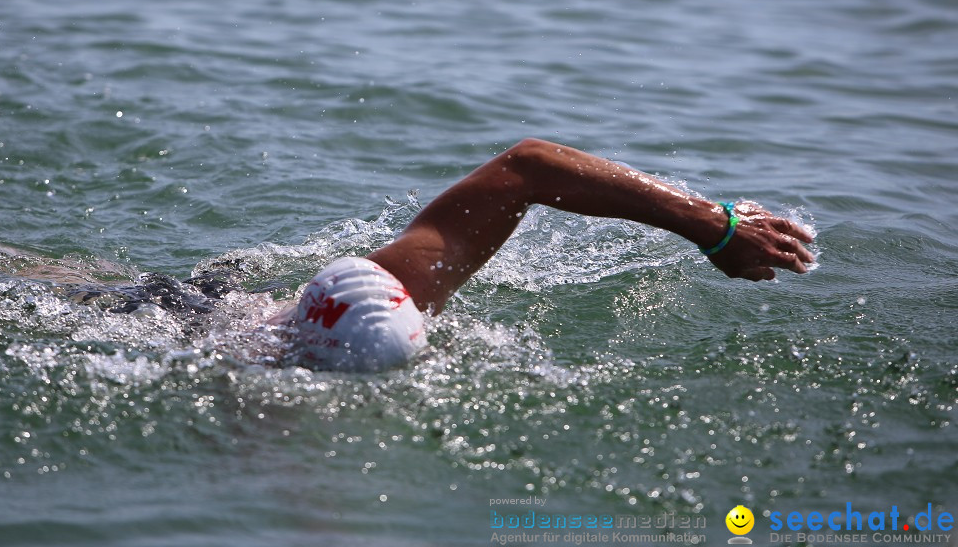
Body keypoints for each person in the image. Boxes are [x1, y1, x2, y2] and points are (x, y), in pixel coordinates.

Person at [287, 138, 815, 372]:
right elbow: (530, 165)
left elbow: (529, 166)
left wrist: (713, 223)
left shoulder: (235, 370)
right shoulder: (402, 282)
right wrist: (712, 225)